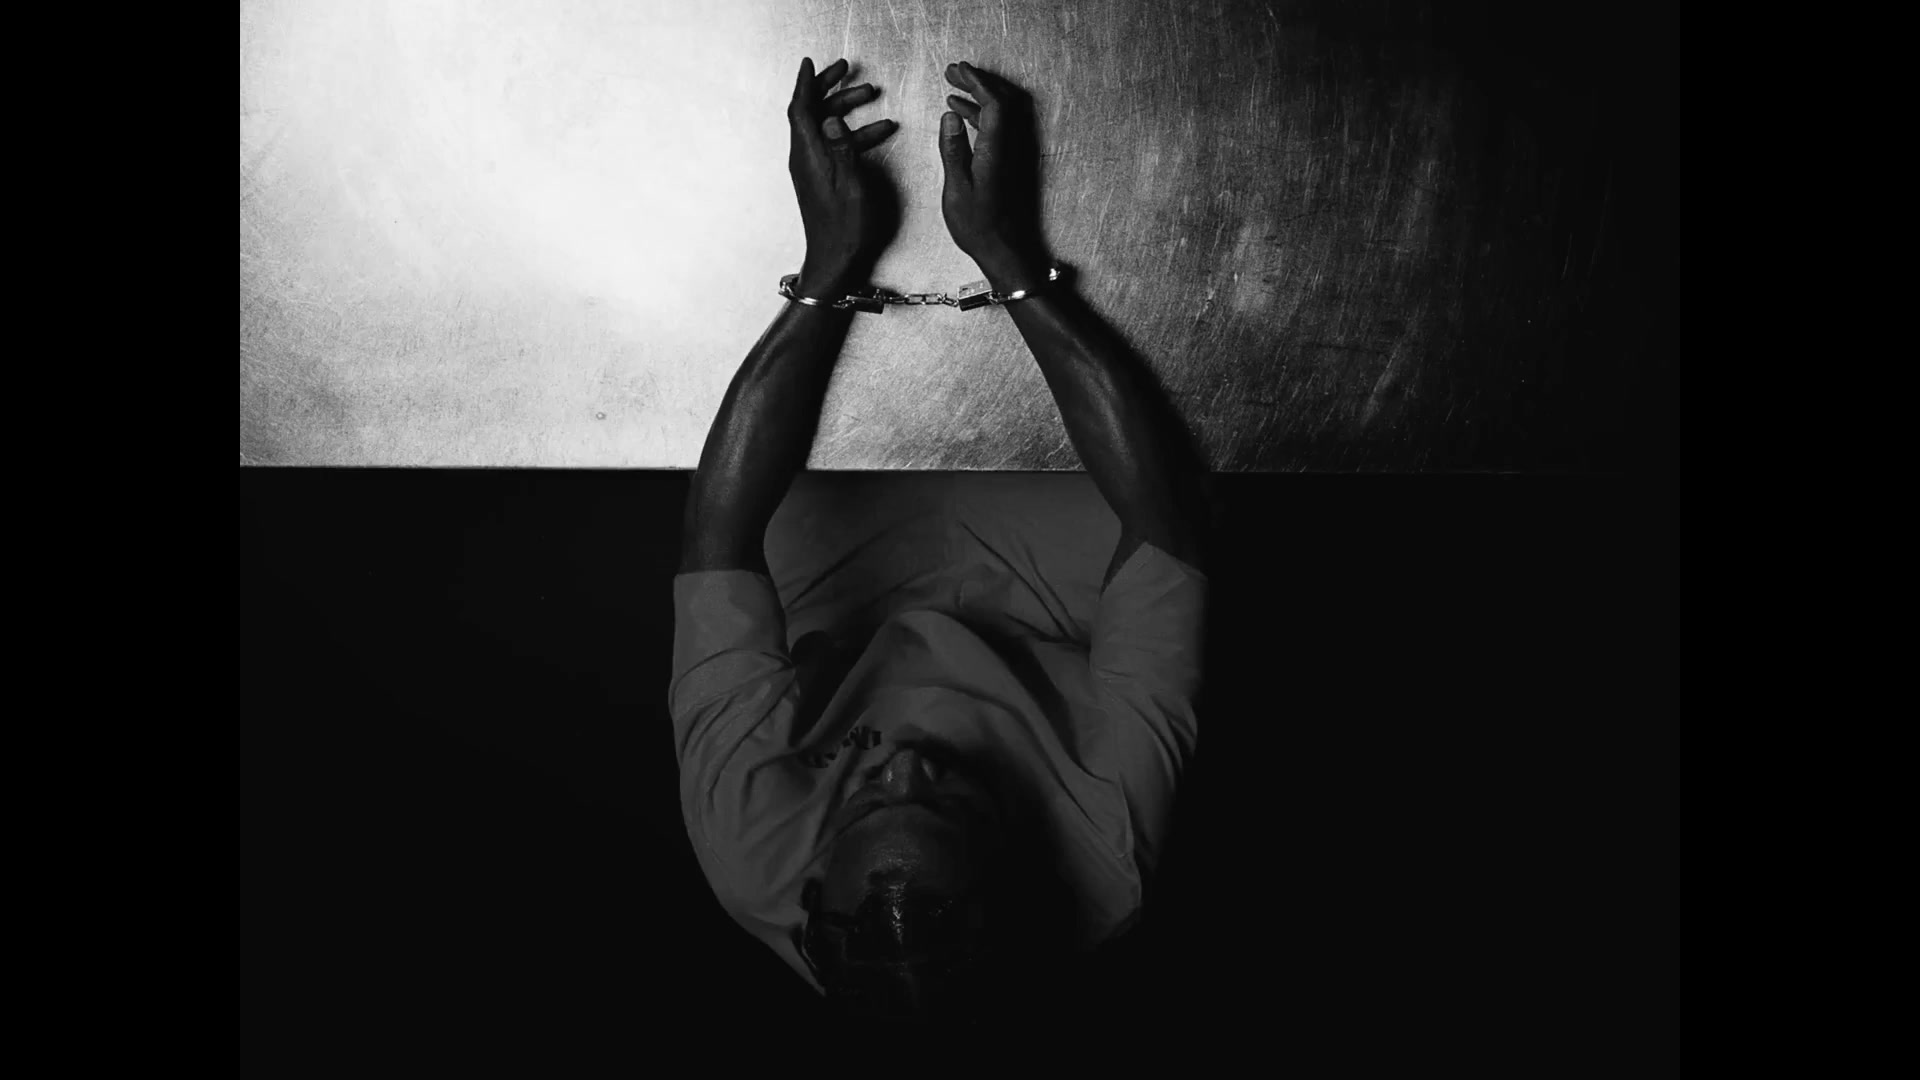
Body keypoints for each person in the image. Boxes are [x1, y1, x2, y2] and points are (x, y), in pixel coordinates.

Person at [670, 57, 1212, 1029]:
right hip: (1048, 613)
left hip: (847, 597)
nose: (908, 763)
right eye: (945, 799)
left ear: (811, 887)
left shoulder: (751, 849)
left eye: (871, 799)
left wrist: (829, 268)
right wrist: (1006, 257)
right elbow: (1163, 531)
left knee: (755, 502)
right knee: (1176, 488)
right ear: (1020, 866)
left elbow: (717, 545)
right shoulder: (1106, 854)